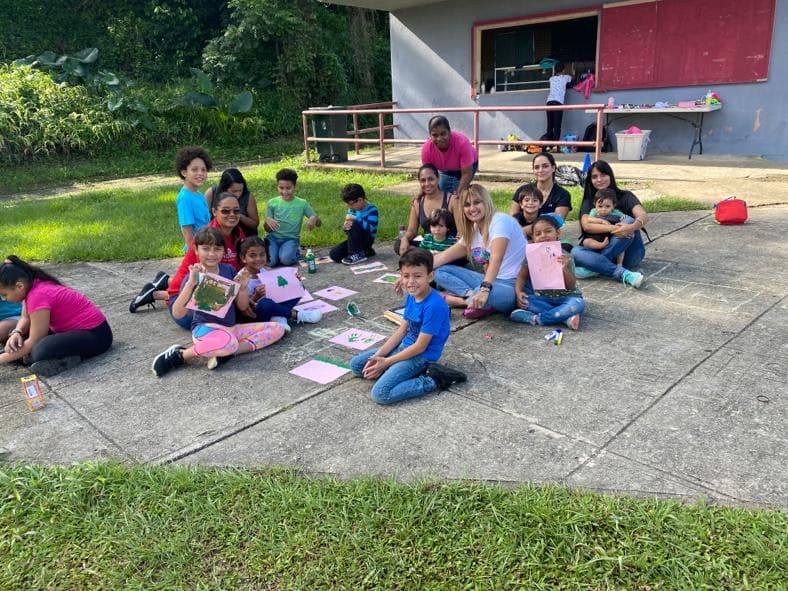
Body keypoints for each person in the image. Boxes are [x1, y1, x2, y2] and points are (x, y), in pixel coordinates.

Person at [151, 228, 286, 377]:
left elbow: (242, 306)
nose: (211, 254)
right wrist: (191, 283)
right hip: (205, 330)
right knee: (229, 342)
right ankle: (180, 355)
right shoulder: (194, 276)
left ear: (223, 251)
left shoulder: (228, 270)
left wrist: (242, 288)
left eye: (217, 249)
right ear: (196, 250)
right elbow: (178, 313)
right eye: (206, 249)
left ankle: (226, 353)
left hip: (231, 328)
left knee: (278, 328)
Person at [350, 249, 466, 404]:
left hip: (421, 357)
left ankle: (434, 379)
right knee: (357, 366)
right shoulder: (413, 295)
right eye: (406, 276)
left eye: (417, 276)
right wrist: (378, 356)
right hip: (404, 347)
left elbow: (420, 347)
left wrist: (387, 362)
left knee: (381, 394)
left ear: (429, 276)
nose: (411, 281)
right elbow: (402, 330)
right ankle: (396, 370)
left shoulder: (434, 306)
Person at [131, 192, 247, 325]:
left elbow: (237, 272)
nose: (232, 214)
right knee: (221, 319)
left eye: (236, 210)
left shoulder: (238, 233)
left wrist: (244, 289)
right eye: (225, 211)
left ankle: (158, 291)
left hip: (219, 292)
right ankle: (157, 294)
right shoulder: (206, 238)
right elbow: (206, 289)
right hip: (188, 293)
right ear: (215, 211)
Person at [0, 256, 113, 376]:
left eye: (4, 295)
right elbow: (25, 318)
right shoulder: (32, 285)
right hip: (70, 331)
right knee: (20, 341)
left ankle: (67, 359)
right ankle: (25, 356)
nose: (4, 299)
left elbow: (35, 340)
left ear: (19, 286)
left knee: (40, 350)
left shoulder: (38, 295)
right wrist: (17, 332)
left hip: (97, 336)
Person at [431, 184, 527, 318]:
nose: (472, 208)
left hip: (513, 285)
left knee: (480, 291)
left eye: (477, 202)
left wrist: (484, 289)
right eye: (467, 205)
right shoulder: (474, 229)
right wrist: (411, 272)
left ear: (486, 202)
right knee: (440, 272)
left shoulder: (500, 221)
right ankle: (470, 301)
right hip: (490, 280)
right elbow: (443, 257)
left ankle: (476, 300)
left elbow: (496, 259)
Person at [572, 160, 647, 287]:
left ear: (610, 175)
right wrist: (615, 227)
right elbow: (587, 226)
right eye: (595, 177)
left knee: (628, 219)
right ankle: (622, 273)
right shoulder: (589, 201)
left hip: (629, 253)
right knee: (575, 251)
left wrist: (631, 227)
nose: (599, 179)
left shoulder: (626, 196)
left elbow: (643, 215)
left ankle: (595, 267)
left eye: (603, 175)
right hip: (600, 249)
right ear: (590, 180)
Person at [511, 215, 585, 330]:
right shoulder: (531, 255)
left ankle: (537, 319)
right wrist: (519, 292)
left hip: (567, 297)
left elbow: (571, 286)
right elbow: (521, 277)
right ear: (533, 237)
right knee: (525, 301)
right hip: (544, 299)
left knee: (578, 303)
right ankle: (564, 318)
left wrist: (564, 269)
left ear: (558, 232)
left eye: (548, 231)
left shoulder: (566, 256)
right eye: (538, 233)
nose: (543, 236)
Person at [237, 236, 322, 332]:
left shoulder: (266, 270)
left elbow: (280, 287)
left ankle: (279, 318)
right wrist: (256, 296)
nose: (258, 259)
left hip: (273, 306)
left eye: (262, 255)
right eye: (252, 255)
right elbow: (244, 309)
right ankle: (296, 315)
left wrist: (293, 281)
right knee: (265, 303)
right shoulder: (241, 278)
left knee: (299, 286)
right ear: (243, 258)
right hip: (257, 315)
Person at [264, 168, 321, 266]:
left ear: (295, 186)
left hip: (290, 239)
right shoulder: (272, 203)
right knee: (271, 262)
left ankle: (295, 252)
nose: (285, 192)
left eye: (288, 188)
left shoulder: (302, 203)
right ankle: (280, 252)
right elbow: (267, 229)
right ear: (277, 186)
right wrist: (268, 221)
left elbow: (319, 223)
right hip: (273, 238)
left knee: (286, 260)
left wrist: (314, 218)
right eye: (281, 188)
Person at [395, 164, 453, 255]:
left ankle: (426, 256)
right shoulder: (417, 203)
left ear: (438, 179)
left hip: (448, 245)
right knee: (399, 244)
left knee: (461, 254)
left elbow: (462, 232)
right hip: (429, 244)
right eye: (423, 180)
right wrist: (405, 239)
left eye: (431, 179)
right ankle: (430, 255)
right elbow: (412, 230)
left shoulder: (451, 200)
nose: (427, 184)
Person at [420, 116, 479, 196]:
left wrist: (459, 192)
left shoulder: (462, 143)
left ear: (449, 132)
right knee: (443, 193)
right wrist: (422, 193)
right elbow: (427, 174)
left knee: (459, 195)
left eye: (443, 134)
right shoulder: (426, 150)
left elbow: (466, 173)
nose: (439, 138)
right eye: (435, 135)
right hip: (446, 169)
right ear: (430, 135)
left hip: (468, 167)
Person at [510, 152, 572, 224]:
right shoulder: (522, 190)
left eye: (545, 166)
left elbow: (556, 224)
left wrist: (523, 231)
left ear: (553, 168)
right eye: (537, 167)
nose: (540, 170)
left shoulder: (562, 195)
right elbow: (511, 221)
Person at [580, 188, 632, 267]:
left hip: (611, 237)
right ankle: (601, 245)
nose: (603, 209)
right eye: (600, 206)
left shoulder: (616, 212)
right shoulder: (594, 212)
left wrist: (624, 217)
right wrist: (601, 221)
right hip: (596, 237)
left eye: (607, 206)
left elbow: (625, 218)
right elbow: (589, 219)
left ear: (613, 206)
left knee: (621, 248)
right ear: (595, 204)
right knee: (586, 242)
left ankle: (619, 264)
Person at [329, 183, 379, 265]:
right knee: (334, 254)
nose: (349, 207)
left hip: (366, 239)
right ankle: (366, 251)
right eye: (347, 204)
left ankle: (357, 254)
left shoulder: (372, 210)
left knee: (354, 223)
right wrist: (346, 227)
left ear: (360, 200)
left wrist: (356, 219)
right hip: (354, 242)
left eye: (351, 204)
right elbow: (350, 231)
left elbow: (370, 228)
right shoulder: (352, 210)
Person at [175, 146, 213, 249]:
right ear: (184, 172)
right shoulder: (184, 198)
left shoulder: (199, 195)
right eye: (194, 170)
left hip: (206, 246)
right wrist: (194, 252)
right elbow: (187, 230)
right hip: (196, 250)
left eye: (203, 170)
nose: (200, 173)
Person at [204, 168, 260, 236]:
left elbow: (254, 224)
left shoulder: (248, 196)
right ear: (224, 188)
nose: (238, 194)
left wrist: (237, 214)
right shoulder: (211, 193)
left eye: (240, 191)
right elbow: (204, 219)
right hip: (217, 235)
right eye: (234, 191)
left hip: (244, 236)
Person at [545, 62, 573, 144]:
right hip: (558, 102)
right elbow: (572, 80)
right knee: (557, 125)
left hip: (549, 102)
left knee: (550, 125)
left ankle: (548, 145)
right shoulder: (566, 77)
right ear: (563, 70)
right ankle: (555, 145)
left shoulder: (551, 78)